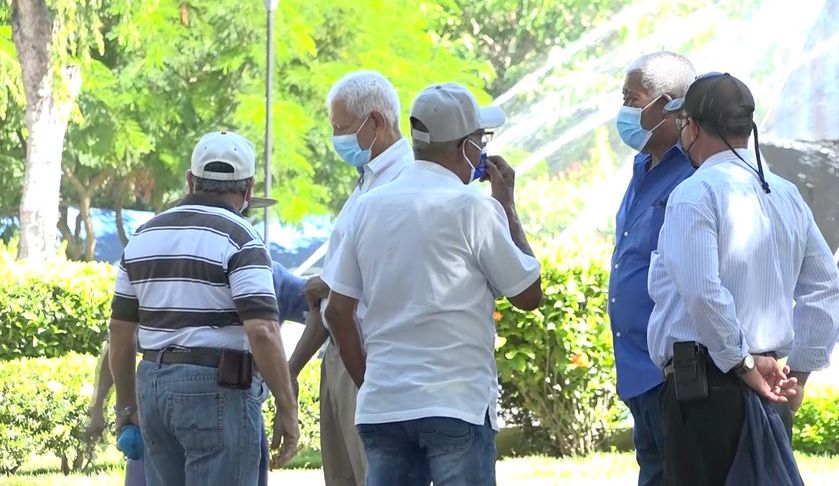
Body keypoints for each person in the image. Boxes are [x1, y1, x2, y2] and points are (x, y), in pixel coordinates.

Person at [323, 82, 542, 485]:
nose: (484, 149)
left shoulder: (367, 208)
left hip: (384, 407)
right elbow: (528, 294)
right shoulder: (473, 206)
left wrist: (372, 381)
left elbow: (337, 311)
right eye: (480, 140)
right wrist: (507, 204)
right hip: (455, 404)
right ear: (464, 147)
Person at [647, 73, 839, 485]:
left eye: (682, 123)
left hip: (708, 393)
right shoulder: (786, 193)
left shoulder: (694, 193)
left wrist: (742, 364)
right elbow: (827, 290)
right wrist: (799, 376)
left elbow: (704, 293)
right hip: (771, 386)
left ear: (694, 127)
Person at [108, 131, 300, 486]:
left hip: (153, 386)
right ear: (248, 190)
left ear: (191, 180)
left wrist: (125, 407)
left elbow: (120, 333)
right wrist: (288, 410)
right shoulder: (242, 238)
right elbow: (262, 331)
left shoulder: (143, 236)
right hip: (218, 389)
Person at [288, 70, 414, 486]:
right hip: (341, 355)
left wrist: (329, 283)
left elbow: (372, 281)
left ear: (375, 122)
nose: (336, 138)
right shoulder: (365, 185)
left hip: (370, 358)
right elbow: (329, 304)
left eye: (342, 128)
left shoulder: (404, 183)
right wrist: (293, 368)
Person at [609, 51, 696, 486]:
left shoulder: (694, 175)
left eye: (631, 97)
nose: (623, 110)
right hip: (637, 370)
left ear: (665, 104)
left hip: (674, 373)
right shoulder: (642, 165)